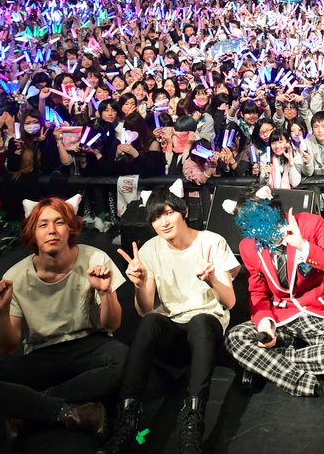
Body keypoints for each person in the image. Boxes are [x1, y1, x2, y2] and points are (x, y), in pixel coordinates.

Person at [0, 196, 128, 450]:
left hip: (90, 346)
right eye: (43, 224)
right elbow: (8, 347)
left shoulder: (95, 259)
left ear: (70, 228)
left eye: (59, 222)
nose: (52, 230)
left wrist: (106, 293)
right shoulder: (16, 276)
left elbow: (113, 325)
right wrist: (1, 313)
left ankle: (30, 406)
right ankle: (67, 411)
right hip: (43, 354)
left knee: (124, 359)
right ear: (33, 232)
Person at [103, 180, 241, 454]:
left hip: (206, 334)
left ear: (184, 211)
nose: (163, 222)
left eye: (169, 213)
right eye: (156, 217)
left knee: (201, 320)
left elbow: (230, 302)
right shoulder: (151, 249)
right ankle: (128, 419)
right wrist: (139, 284)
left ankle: (193, 421)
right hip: (173, 335)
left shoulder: (211, 242)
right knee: (151, 320)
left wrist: (212, 279)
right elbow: (144, 310)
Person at [222, 185, 324, 410]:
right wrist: (265, 324)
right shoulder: (248, 246)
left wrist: (303, 246)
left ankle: (266, 363)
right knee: (235, 337)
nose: (260, 232)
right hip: (282, 316)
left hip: (322, 312)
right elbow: (258, 293)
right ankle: (314, 384)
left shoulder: (310, 224)